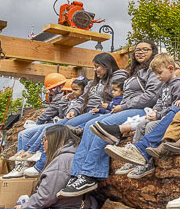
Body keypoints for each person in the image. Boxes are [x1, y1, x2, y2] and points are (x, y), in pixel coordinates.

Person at [58, 40, 162, 197]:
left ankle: (90, 174)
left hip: (143, 110)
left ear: (153, 51)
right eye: (137, 50)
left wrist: (124, 106)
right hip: (129, 108)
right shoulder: (136, 71)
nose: (140, 52)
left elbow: (152, 95)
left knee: (102, 124)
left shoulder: (154, 70)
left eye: (145, 49)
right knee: (90, 125)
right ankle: (77, 174)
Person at [99, 53, 180, 177]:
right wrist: (154, 111)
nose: (158, 77)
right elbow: (159, 102)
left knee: (149, 126)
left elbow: (178, 106)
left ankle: (147, 162)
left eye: (160, 73)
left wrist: (159, 115)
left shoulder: (179, 84)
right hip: (162, 115)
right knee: (142, 125)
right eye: (156, 74)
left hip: (172, 118)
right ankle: (134, 157)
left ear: (170, 68)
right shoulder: (164, 85)